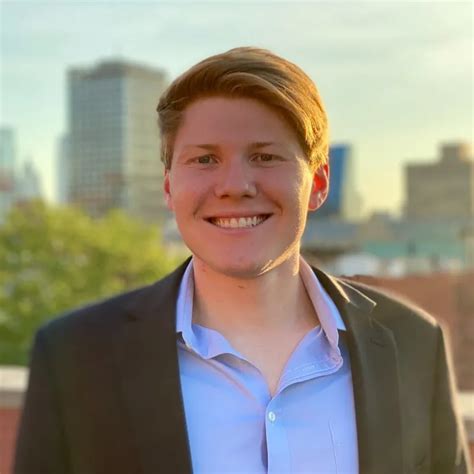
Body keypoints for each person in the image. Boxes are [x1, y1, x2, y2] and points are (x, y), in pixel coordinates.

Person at [14, 47, 470, 474]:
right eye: (204, 159)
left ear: (317, 183)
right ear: (169, 187)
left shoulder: (413, 343)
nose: (234, 185)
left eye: (265, 156)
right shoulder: (75, 357)